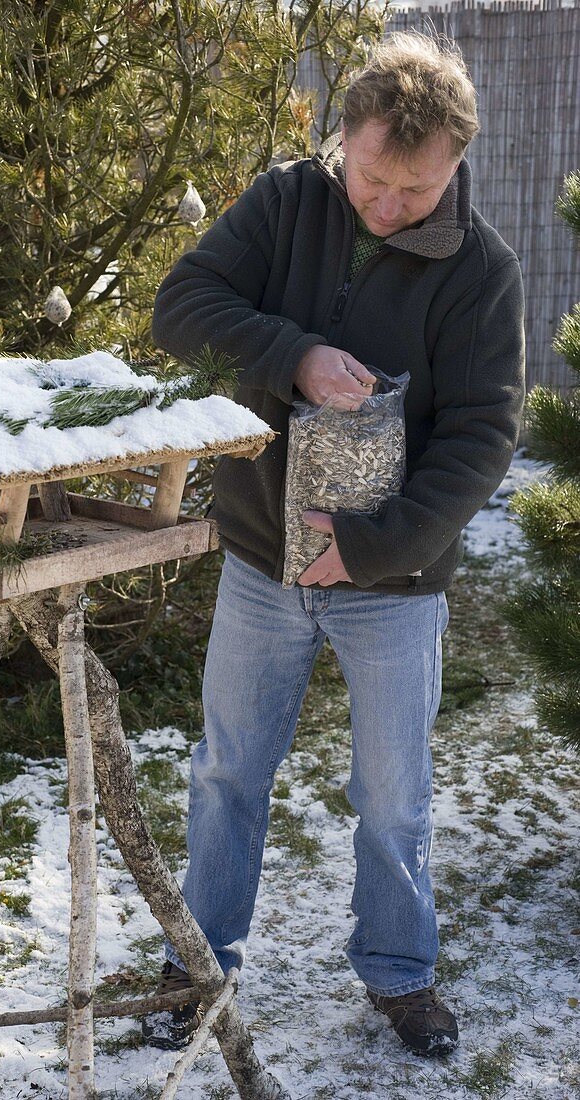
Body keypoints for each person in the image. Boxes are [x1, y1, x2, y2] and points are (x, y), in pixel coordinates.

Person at [142, 30, 525, 1057]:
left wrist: (371, 547)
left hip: (394, 584)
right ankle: (199, 959)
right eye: (371, 178)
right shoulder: (287, 201)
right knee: (227, 769)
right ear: (340, 135)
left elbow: (484, 435)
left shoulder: (482, 269)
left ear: (454, 162)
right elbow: (180, 306)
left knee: (393, 794)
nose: (390, 205)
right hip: (262, 559)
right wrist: (296, 354)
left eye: (417, 188)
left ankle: (400, 973)